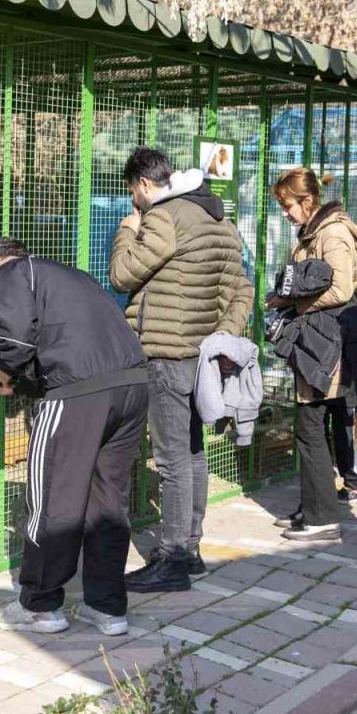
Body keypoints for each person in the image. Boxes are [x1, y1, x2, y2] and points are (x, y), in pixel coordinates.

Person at [0, 238, 149, 636]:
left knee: (53, 496)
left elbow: (16, 338)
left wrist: (2, 374)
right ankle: (106, 609)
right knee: (108, 501)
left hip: (79, 394)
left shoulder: (10, 272)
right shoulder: (73, 277)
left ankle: (40, 606)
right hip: (133, 388)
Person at [110, 147, 253, 593]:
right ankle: (189, 548)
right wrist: (221, 339)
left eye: (134, 192)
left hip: (166, 356)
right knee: (192, 453)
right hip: (201, 359)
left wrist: (126, 230)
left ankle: (172, 557)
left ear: (146, 184)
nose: (135, 201)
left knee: (171, 460)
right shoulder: (220, 220)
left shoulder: (161, 216)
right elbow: (241, 291)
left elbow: (121, 275)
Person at [264, 169, 357, 542]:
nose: (285, 213)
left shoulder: (332, 233)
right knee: (312, 428)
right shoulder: (314, 231)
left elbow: (341, 289)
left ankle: (323, 518)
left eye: (287, 205)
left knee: (311, 427)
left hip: (329, 344)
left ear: (306, 201)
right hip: (319, 342)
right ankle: (314, 506)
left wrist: (292, 303)